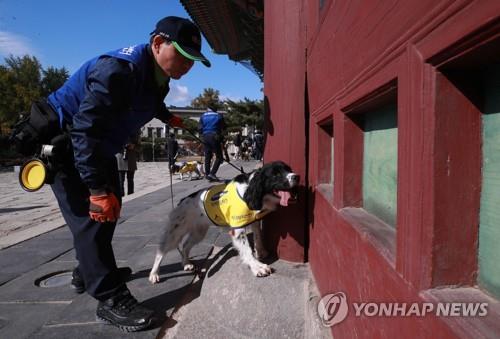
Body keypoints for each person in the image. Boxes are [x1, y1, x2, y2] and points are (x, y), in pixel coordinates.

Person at [25, 16, 211, 332]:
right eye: (182, 56)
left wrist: (168, 117)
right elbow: (84, 131)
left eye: (192, 61)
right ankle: (110, 300)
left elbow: (149, 100)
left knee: (114, 205)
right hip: (68, 147)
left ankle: (88, 269)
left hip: (99, 146)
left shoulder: (160, 76)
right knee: (92, 217)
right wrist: (96, 189)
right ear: (157, 44)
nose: (186, 66)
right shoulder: (116, 71)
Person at [198, 104, 226, 181]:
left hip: (205, 137)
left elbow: (199, 129)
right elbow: (224, 127)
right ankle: (212, 173)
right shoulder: (219, 116)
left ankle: (207, 174)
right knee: (219, 157)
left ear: (208, 109)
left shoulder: (203, 116)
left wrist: (202, 135)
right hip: (214, 136)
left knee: (208, 156)